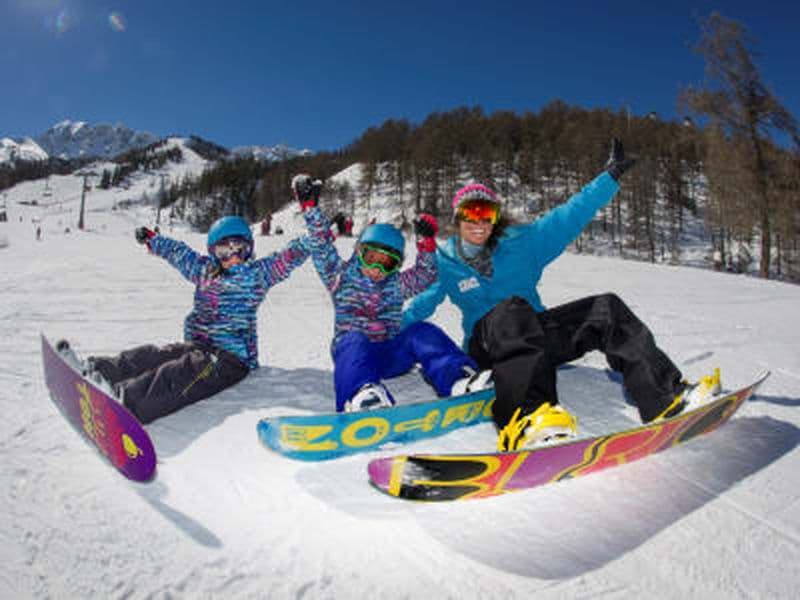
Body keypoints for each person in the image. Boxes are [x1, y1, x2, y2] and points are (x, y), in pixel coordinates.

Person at [403, 138, 721, 451]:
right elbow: (419, 308)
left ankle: (666, 397)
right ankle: (528, 419)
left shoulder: (523, 243)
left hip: (533, 338)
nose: (478, 222)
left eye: (486, 214)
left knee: (606, 309)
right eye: (469, 214)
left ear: (495, 218)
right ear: (458, 219)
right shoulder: (444, 262)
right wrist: (380, 331)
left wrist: (609, 177)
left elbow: (571, 215)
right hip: (487, 347)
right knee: (511, 309)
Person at [292, 174, 491, 412]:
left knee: (422, 331)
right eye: (371, 258)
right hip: (354, 357)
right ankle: (362, 394)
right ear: (359, 252)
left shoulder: (396, 284)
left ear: (396, 266)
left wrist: (426, 244)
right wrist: (310, 209)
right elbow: (321, 247)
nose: (377, 268)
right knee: (352, 339)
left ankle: (459, 379)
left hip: (391, 354)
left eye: (387, 263)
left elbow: (425, 275)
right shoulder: (339, 276)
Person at [82, 216, 310, 424]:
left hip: (231, 359)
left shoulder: (258, 275)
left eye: (239, 249)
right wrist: (153, 239)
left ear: (249, 250)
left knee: (179, 374)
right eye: (224, 251)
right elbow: (178, 253)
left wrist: (313, 233)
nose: (233, 258)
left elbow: (289, 256)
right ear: (213, 253)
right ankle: (100, 370)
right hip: (198, 345)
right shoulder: (204, 270)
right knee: (155, 354)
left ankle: (126, 401)